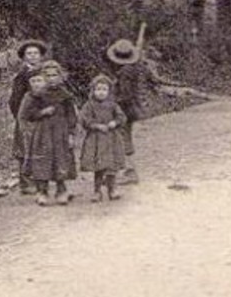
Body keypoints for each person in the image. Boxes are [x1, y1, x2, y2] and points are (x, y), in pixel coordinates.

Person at [16, 59, 77, 206]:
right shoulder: (36, 95)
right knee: (42, 160)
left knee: (61, 159)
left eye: (55, 75)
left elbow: (71, 116)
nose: (51, 79)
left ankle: (61, 190)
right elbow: (26, 115)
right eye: (48, 76)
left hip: (60, 133)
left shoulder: (65, 95)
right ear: (43, 77)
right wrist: (42, 112)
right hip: (42, 133)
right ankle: (42, 191)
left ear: (60, 76)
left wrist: (71, 134)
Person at [105, 37, 154, 186]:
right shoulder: (133, 69)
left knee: (122, 139)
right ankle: (118, 172)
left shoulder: (125, 73)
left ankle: (129, 172)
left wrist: (112, 104)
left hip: (124, 110)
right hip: (130, 109)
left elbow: (124, 95)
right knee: (121, 138)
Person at [76, 74, 129, 203]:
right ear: (93, 91)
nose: (101, 92)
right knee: (99, 167)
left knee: (111, 166)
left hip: (111, 139)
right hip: (96, 140)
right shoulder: (89, 105)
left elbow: (122, 117)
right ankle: (97, 191)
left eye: (104, 89)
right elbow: (84, 119)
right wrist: (96, 125)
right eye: (98, 89)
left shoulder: (113, 105)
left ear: (109, 91)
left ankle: (112, 190)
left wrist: (114, 123)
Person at [8, 40, 49, 194]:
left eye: (35, 53)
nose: (32, 56)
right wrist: (21, 116)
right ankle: (26, 183)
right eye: (29, 54)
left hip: (42, 116)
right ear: (24, 57)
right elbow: (15, 99)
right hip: (25, 116)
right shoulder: (22, 76)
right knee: (24, 148)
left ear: (41, 56)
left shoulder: (45, 73)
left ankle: (40, 180)